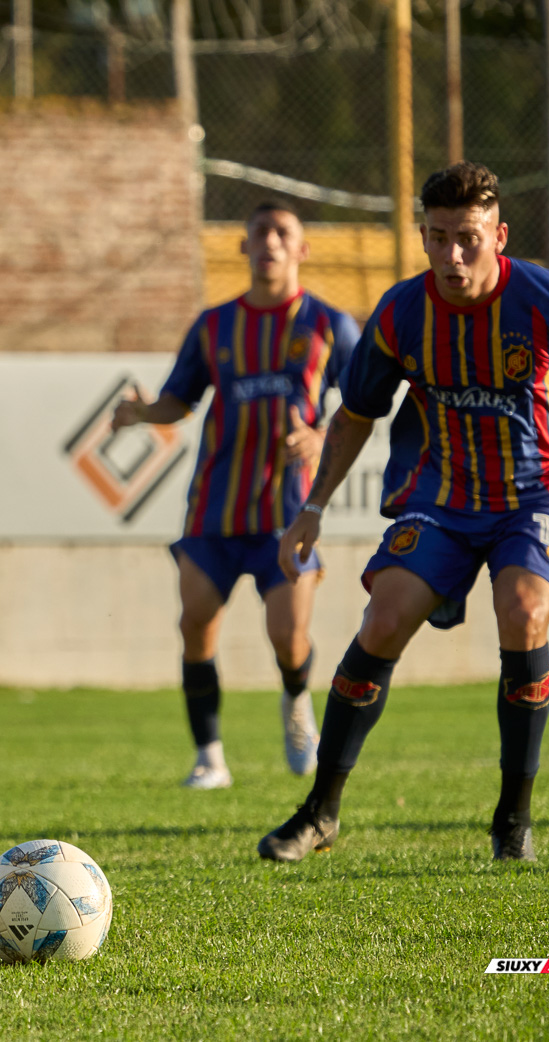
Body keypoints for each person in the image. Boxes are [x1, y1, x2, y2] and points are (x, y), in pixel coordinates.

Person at [257, 162, 549, 863]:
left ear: (498, 235)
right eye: (437, 238)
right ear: (423, 236)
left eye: (468, 238)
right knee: (382, 620)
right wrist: (312, 506)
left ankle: (512, 822)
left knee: (523, 611)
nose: (452, 256)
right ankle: (319, 813)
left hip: (540, 494)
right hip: (442, 499)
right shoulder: (402, 312)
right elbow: (353, 415)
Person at [113, 203, 361, 789]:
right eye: (260, 233)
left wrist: (322, 434)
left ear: (301, 249)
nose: (271, 242)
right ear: (244, 248)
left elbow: (364, 404)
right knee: (196, 625)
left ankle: (298, 706)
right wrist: (144, 412)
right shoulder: (214, 326)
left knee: (287, 636)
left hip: (288, 511)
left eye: (283, 234)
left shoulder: (331, 324)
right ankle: (209, 756)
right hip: (214, 507)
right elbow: (181, 399)